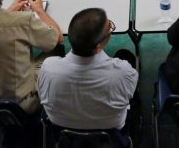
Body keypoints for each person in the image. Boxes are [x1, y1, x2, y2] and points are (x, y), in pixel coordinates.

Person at [38, 8, 138, 142]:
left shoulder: (48, 68)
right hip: (113, 135)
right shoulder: (122, 72)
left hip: (62, 133)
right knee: (125, 55)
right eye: (109, 28)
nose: (110, 30)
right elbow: (130, 91)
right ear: (97, 47)